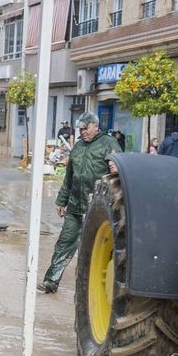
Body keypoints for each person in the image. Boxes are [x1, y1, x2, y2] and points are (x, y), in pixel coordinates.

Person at [40, 112, 119, 294]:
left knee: (93, 249)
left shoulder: (109, 144)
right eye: (80, 128)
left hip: (97, 208)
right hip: (75, 205)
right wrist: (62, 200)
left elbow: (116, 176)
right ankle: (51, 281)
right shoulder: (78, 147)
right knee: (64, 243)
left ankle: (93, 290)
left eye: (85, 128)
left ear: (95, 126)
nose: (82, 132)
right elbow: (69, 177)